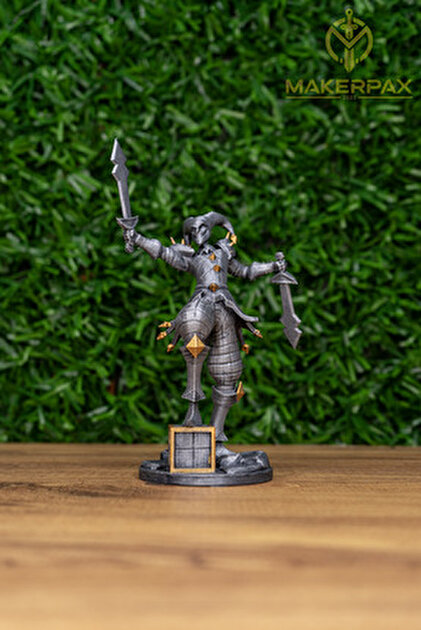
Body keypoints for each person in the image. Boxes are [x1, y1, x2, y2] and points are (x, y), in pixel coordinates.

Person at [122, 211, 286, 468]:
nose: (197, 234)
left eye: (202, 229)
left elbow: (245, 271)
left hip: (227, 310)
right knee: (193, 334)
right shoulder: (189, 257)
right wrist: (137, 238)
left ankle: (216, 441)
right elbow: (165, 253)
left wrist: (273, 267)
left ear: (210, 229)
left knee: (229, 373)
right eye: (192, 231)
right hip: (202, 305)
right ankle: (192, 414)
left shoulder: (224, 251)